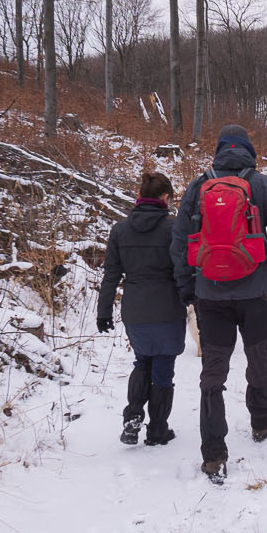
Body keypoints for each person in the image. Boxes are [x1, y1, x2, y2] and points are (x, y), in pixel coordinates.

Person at [171, 124, 267, 484]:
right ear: (249, 151)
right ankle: (261, 418)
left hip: (211, 293)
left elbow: (179, 241)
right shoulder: (265, 186)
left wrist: (186, 287)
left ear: (220, 150)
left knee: (213, 372)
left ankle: (213, 454)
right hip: (255, 291)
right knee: (258, 357)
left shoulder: (198, 185)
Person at [98, 171, 186, 447]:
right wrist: (194, 299)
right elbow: (183, 271)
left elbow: (111, 275)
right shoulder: (174, 229)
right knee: (163, 367)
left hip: (135, 309)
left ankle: (133, 415)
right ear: (166, 197)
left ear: (140, 196)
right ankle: (158, 429)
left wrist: (103, 312)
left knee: (142, 361)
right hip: (167, 308)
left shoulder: (120, 230)